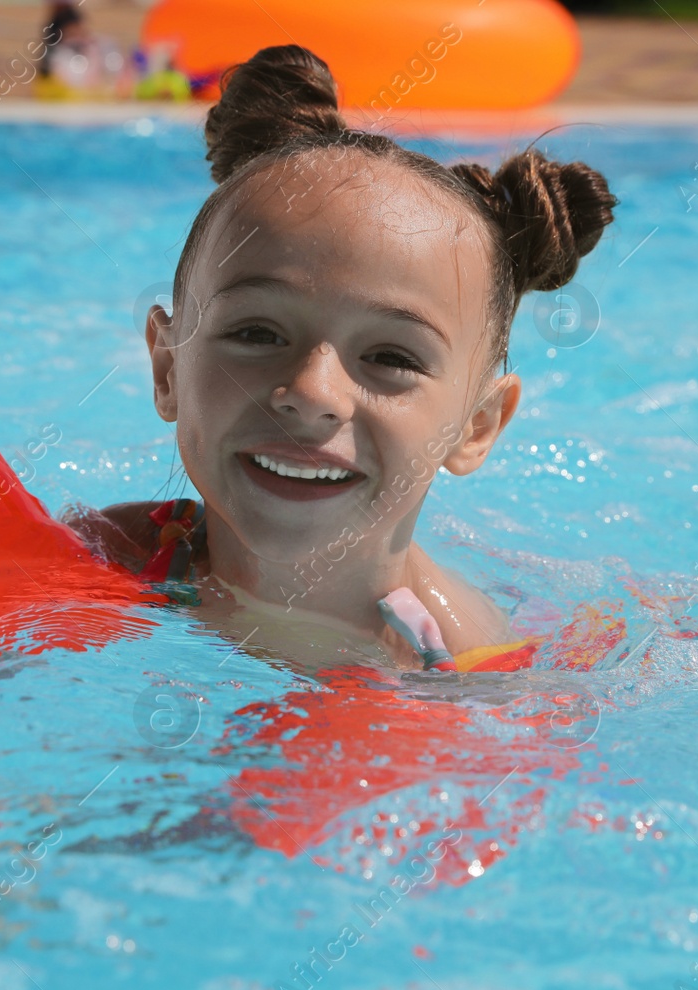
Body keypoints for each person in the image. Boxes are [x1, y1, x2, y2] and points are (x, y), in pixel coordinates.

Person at [63, 45, 617, 672]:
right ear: (168, 370)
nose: (312, 391)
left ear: (477, 425)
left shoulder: (463, 670)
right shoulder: (117, 552)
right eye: (258, 334)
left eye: (390, 356)